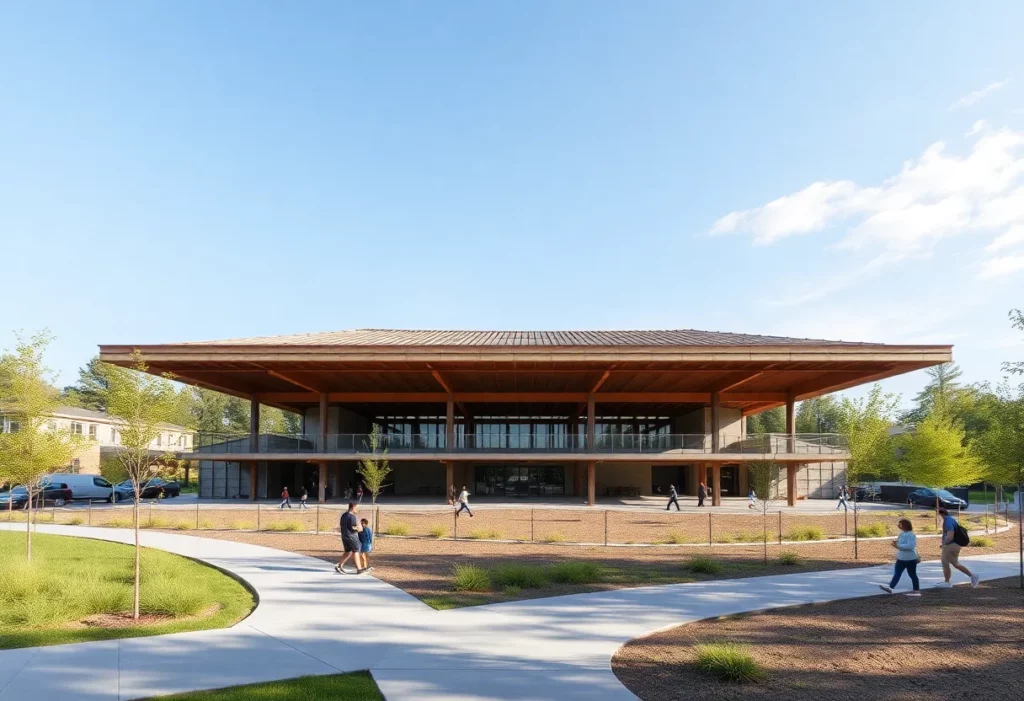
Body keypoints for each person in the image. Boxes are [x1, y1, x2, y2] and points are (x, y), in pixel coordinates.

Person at [937, 507, 979, 589]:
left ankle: (947, 582)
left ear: (940, 514)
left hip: (950, 545)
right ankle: (973, 576)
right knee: (956, 564)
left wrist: (944, 544)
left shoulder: (947, 521)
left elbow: (950, 536)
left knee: (945, 564)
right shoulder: (951, 519)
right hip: (955, 545)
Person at [879, 518, 921, 596]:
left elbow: (911, 546)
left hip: (910, 559)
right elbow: (902, 543)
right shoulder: (901, 534)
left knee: (912, 574)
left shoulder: (911, 534)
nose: (898, 525)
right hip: (901, 558)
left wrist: (898, 546)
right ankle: (890, 588)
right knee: (897, 573)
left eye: (900, 524)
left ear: (905, 525)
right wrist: (896, 543)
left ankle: (916, 590)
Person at [335, 503, 365, 574]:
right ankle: (359, 569)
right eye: (356, 507)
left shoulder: (343, 515)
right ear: (353, 507)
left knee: (348, 552)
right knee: (356, 551)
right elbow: (353, 528)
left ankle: (339, 565)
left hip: (344, 536)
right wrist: (360, 529)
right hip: (351, 536)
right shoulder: (352, 517)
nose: (357, 509)